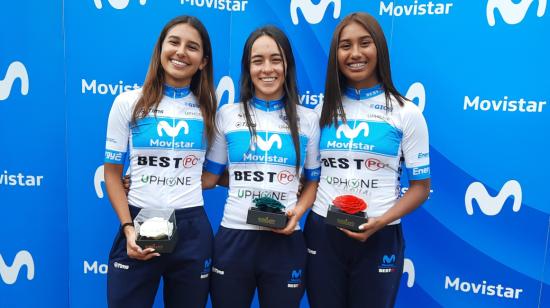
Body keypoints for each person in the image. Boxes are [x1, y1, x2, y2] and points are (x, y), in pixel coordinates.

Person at [304, 12, 431, 308]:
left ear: (379, 50)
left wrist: (381, 221)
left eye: (365, 43)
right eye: (345, 46)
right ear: (335, 54)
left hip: (380, 235)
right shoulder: (322, 109)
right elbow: (310, 175)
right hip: (323, 232)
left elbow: (421, 187)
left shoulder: (406, 113)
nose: (355, 53)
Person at [202, 25, 321, 308]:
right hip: (234, 238)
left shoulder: (307, 119)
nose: (267, 69)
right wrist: (148, 178)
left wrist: (297, 213)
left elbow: (313, 182)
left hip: (286, 240)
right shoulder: (228, 115)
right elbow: (210, 177)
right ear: (248, 67)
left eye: (276, 59)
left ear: (287, 65)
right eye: (258, 61)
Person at [103, 15, 217, 308]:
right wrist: (129, 228)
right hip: (139, 222)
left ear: (203, 61)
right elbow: (112, 174)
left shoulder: (211, 110)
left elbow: (213, 175)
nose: (181, 52)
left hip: (192, 228)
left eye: (192, 47)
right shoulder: (128, 102)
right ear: (161, 48)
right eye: (174, 42)